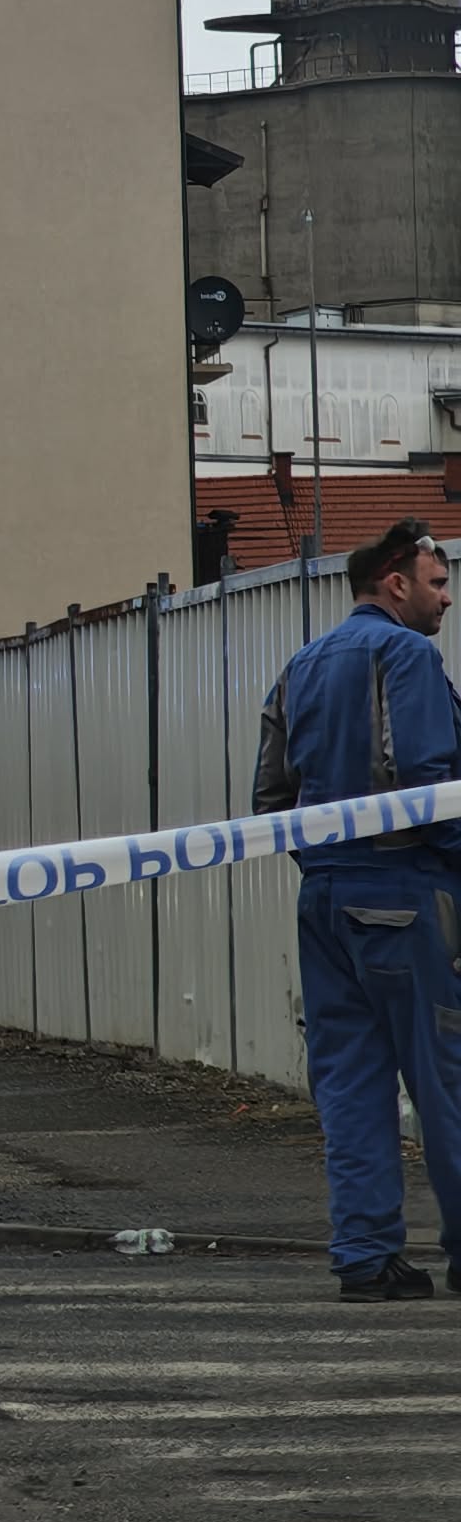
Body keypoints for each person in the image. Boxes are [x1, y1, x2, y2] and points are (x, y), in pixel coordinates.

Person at [252, 519, 461, 1301]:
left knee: (350, 1081)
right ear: (397, 582)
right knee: (445, 1079)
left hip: (327, 900)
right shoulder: (407, 655)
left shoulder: (301, 665)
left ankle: (368, 1258)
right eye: (438, 583)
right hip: (407, 891)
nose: (446, 599)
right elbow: (426, 781)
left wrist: (327, 866)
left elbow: (271, 797)